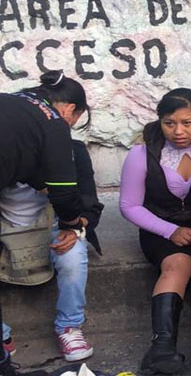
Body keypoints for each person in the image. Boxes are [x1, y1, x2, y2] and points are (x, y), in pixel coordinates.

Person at [120, 89, 191, 373]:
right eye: (169, 123)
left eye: (187, 123)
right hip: (161, 227)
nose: (178, 131)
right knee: (176, 265)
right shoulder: (142, 153)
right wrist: (170, 231)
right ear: (160, 122)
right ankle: (162, 347)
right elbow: (130, 206)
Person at [0, 71, 89, 376]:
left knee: (73, 253)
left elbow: (21, 165)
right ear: (69, 110)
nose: (71, 127)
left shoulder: (12, 106)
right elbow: (64, 193)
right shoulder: (53, 122)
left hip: (40, 228)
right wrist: (72, 224)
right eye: (75, 120)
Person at [0, 139, 103, 365]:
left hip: (53, 227)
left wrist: (75, 229)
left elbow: (89, 204)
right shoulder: (6, 149)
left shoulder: (69, 151)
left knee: (73, 256)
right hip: (6, 230)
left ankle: (69, 326)